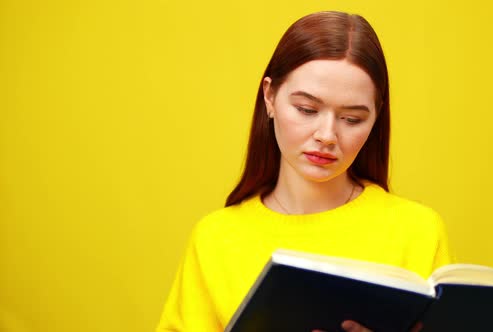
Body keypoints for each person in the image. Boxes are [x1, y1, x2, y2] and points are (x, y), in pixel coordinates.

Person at [156, 11, 451, 332]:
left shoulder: (418, 231)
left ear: (376, 118)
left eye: (352, 118)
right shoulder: (215, 239)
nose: (327, 135)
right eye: (307, 110)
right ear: (269, 96)